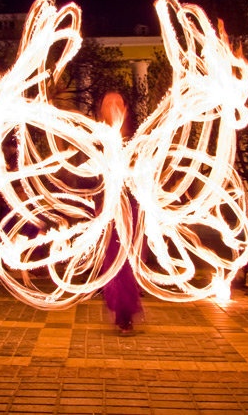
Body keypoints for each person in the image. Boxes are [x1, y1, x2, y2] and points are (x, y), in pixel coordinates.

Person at [96, 91, 144, 335]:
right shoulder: (95, 140)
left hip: (131, 206)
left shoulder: (135, 141)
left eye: (117, 102)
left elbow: (146, 171)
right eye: (107, 103)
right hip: (106, 208)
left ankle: (125, 312)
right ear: (101, 110)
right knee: (113, 261)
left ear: (125, 108)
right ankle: (121, 311)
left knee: (126, 261)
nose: (112, 106)